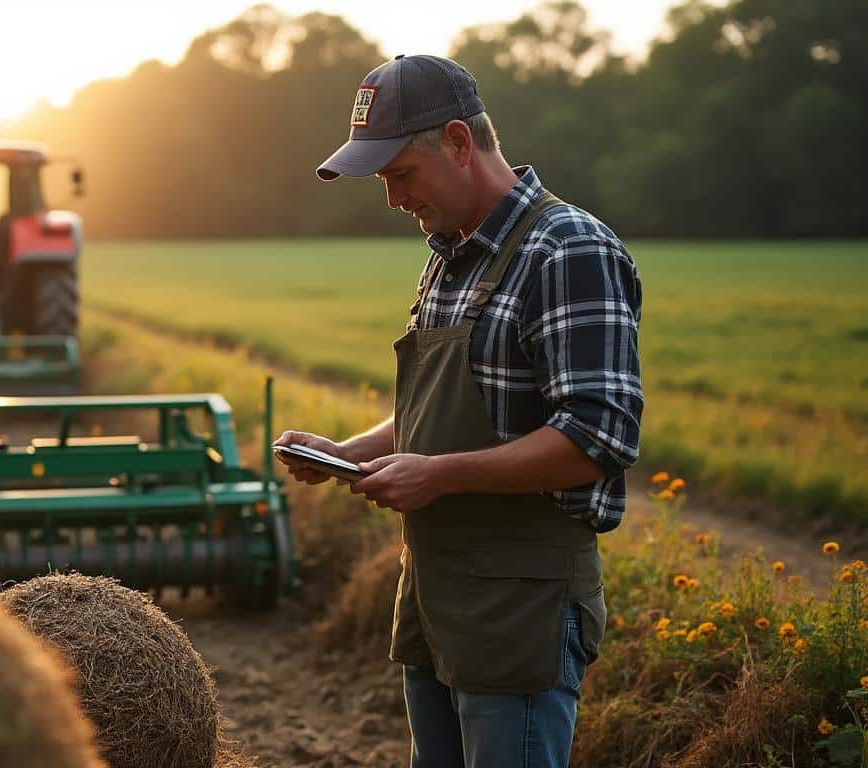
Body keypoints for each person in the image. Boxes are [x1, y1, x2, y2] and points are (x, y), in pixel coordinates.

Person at [275, 54, 643, 768]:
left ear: (458, 142)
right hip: (437, 598)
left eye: (400, 174)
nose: (391, 198)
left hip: (518, 608)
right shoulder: (449, 254)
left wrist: (438, 475)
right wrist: (348, 454)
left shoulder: (568, 250)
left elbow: (597, 436)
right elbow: (439, 408)